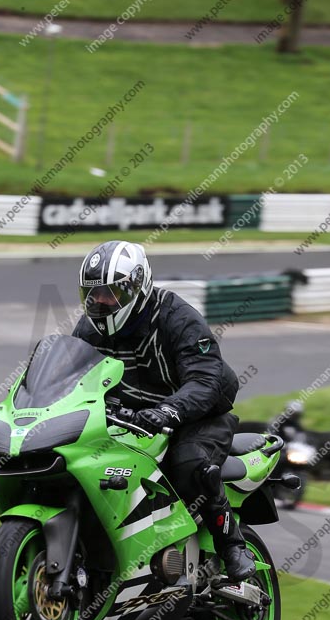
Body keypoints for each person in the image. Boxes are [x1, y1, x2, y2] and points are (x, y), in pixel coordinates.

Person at [72, 240, 256, 581]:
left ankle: (232, 545)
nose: (99, 302)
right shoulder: (87, 330)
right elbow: (69, 380)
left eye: (110, 293)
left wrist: (170, 411)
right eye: (92, 293)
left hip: (199, 415)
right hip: (130, 419)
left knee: (188, 462)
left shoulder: (176, 317)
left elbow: (205, 379)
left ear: (136, 286)